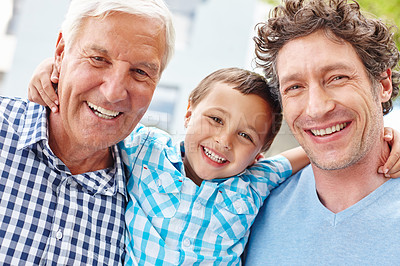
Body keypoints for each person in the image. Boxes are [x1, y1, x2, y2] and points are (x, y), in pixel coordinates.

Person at [28, 60, 400, 265]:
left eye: (245, 136)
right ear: (189, 112)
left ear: (259, 153)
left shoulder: (255, 181)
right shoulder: (145, 149)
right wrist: (55, 76)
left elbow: (308, 149)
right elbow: (101, 120)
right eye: (216, 119)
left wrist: (382, 132)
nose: (223, 141)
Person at [0, 0, 174, 265]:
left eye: (140, 72)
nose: (114, 92)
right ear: (60, 55)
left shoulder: (151, 196)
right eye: (98, 59)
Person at [245, 0, 400, 264]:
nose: (316, 109)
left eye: (338, 77)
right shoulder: (250, 207)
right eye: (294, 87)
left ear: (383, 84)